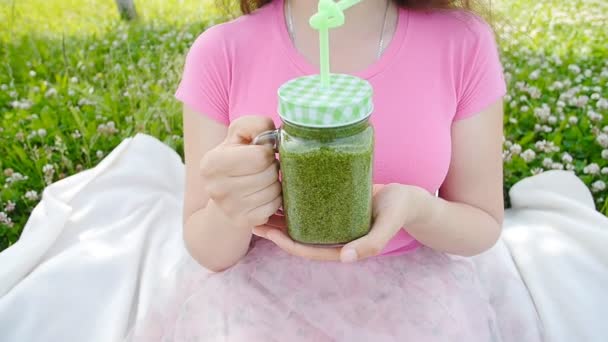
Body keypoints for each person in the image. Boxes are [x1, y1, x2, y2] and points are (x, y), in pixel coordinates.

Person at [171, 0, 514, 339]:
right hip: (262, 297)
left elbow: (481, 223)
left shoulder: (462, 42)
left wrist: (417, 208)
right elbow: (207, 249)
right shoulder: (221, 52)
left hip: (410, 300)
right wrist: (232, 207)